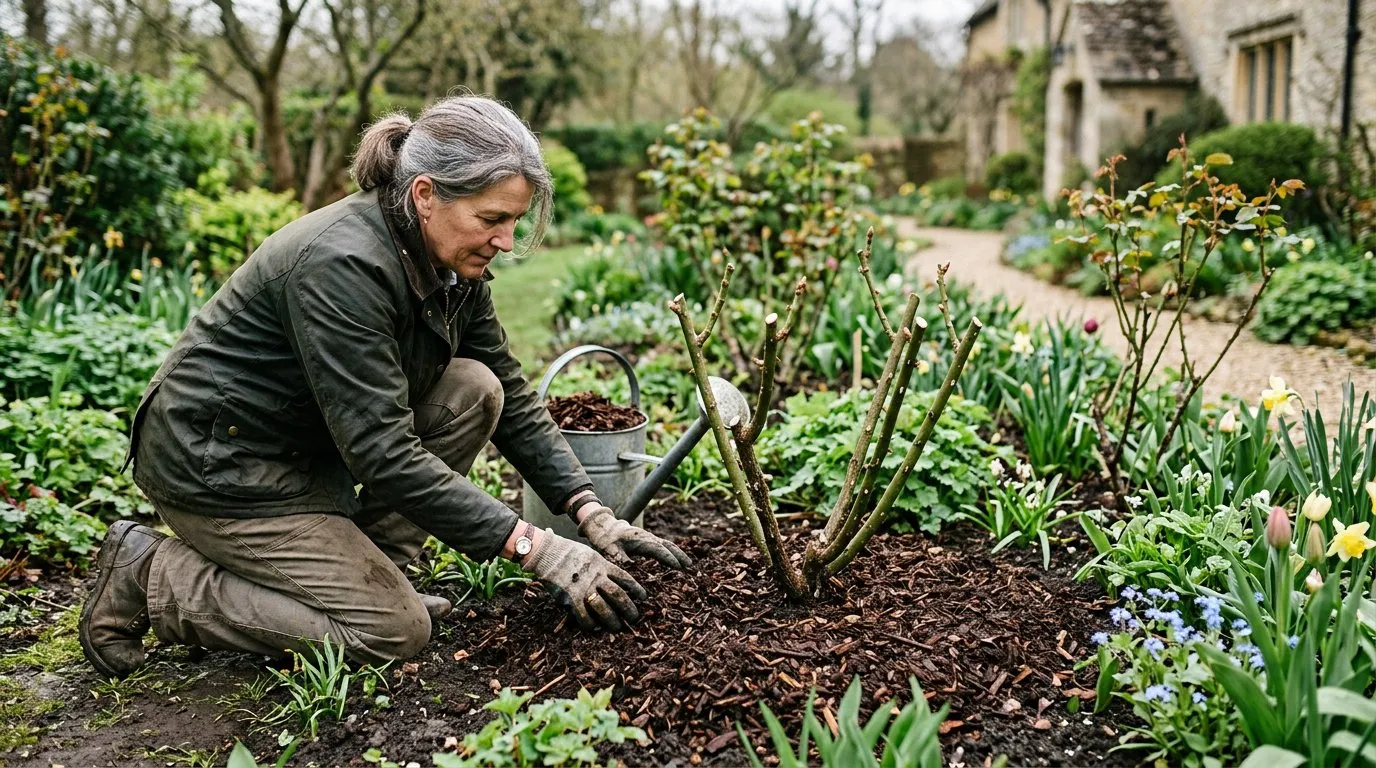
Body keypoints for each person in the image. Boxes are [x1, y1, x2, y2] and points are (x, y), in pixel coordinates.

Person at [78, 96, 692, 679]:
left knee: (474, 387)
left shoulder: (450, 261)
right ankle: (151, 574)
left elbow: (508, 388)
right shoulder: (340, 266)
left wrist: (590, 510)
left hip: (306, 446)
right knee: (394, 632)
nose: (506, 241)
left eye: (514, 221)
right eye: (492, 219)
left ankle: (372, 572)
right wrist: (537, 549)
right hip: (223, 467)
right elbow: (381, 450)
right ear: (425, 195)